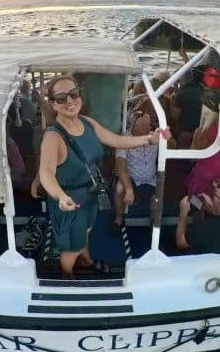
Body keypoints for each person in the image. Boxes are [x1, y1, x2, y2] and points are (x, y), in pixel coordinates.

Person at [38, 74, 170, 276]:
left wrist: (150, 139)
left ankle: (86, 260)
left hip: (89, 194)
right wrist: (60, 196)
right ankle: (68, 275)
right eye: (61, 98)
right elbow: (46, 172)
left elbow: (117, 140)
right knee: (71, 248)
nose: (70, 101)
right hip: (69, 199)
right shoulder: (53, 136)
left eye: (74, 94)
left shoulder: (87, 123)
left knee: (86, 232)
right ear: (53, 104)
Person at [111, 110, 160, 233]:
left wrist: (168, 138)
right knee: (119, 188)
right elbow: (121, 167)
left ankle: (154, 231)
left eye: (148, 125)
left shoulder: (154, 137)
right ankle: (118, 218)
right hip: (131, 179)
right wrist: (129, 188)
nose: (147, 129)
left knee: (156, 205)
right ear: (133, 126)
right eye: (143, 126)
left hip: (151, 181)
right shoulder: (124, 140)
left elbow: (173, 145)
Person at [184, 113, 220, 200]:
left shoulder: (204, 131)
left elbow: (193, 157)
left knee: (195, 200)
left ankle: (195, 211)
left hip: (205, 175)